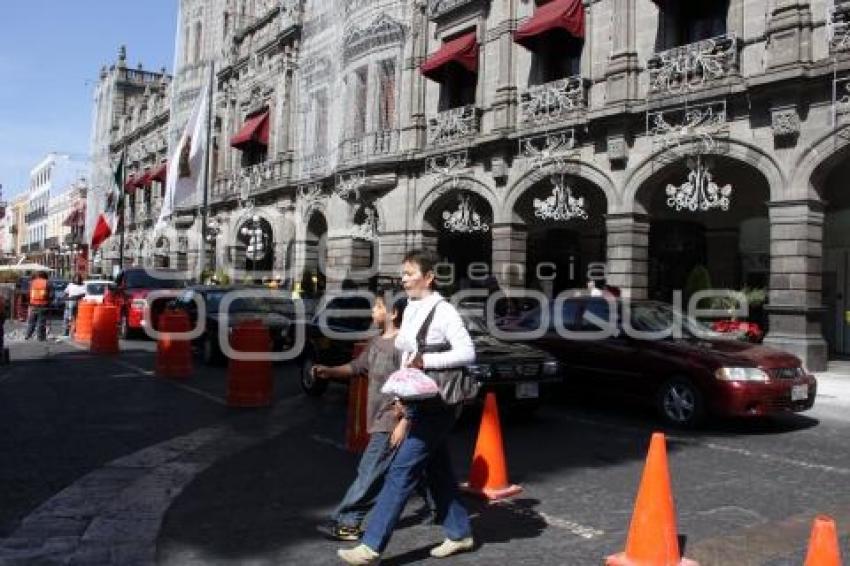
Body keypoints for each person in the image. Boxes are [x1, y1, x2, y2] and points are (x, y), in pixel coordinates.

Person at [338, 249, 475, 565]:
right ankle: (460, 533)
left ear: (429, 276)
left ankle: (371, 545)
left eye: (410, 273)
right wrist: (401, 395)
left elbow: (467, 352)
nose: (404, 278)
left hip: (439, 402)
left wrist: (428, 359)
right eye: (403, 273)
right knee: (438, 470)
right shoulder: (411, 307)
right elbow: (406, 351)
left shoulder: (443, 311)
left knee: (401, 470)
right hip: (418, 400)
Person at [312, 292, 420, 541]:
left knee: (369, 471)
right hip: (379, 418)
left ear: (393, 314)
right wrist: (329, 371)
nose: (373, 311)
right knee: (417, 470)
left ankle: (347, 521)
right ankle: (443, 511)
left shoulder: (404, 346)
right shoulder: (376, 342)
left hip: (390, 420)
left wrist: (404, 419)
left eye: (378, 307)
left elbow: (413, 383)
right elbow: (357, 367)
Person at [25, 272, 52, 341]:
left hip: (33, 304)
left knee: (31, 321)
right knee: (41, 322)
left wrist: (29, 302)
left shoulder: (32, 283)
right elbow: (51, 295)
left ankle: (28, 335)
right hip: (44, 305)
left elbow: (28, 293)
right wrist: (49, 302)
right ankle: (40, 337)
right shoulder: (48, 283)